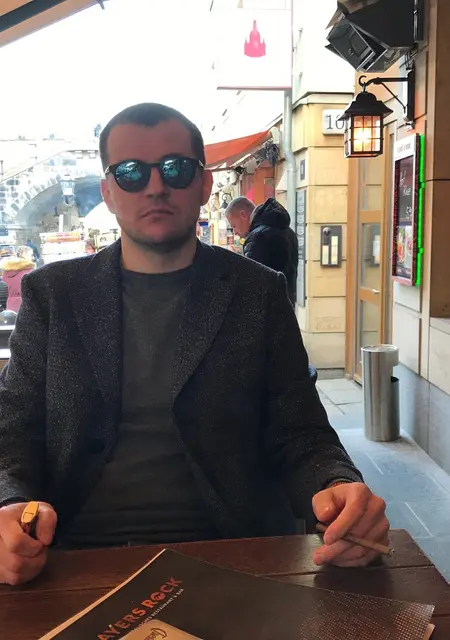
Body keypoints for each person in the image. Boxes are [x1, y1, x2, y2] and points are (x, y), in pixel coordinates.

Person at [0, 103, 388, 586]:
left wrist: (338, 485)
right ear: (108, 192)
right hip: (73, 556)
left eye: (175, 169)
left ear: (204, 184)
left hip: (234, 553)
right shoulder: (53, 294)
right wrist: (9, 503)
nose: (155, 186)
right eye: (131, 172)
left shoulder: (257, 292)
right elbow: (13, 429)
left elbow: (300, 431)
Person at [226, 196, 298, 304]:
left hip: (267, 309)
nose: (235, 232)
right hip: (287, 306)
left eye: (234, 226)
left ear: (243, 215)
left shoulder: (258, 238)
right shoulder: (288, 231)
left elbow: (250, 284)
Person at [1, 246, 35, 313]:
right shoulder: (29, 271)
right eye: (31, 255)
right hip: (26, 307)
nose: (33, 258)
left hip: (9, 307)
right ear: (25, 255)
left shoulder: (6, 271)